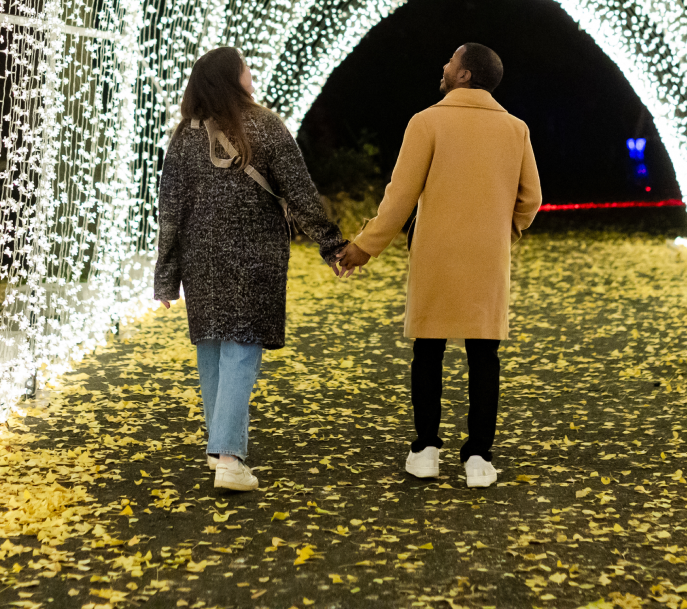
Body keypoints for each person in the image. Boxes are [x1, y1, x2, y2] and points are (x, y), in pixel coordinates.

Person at [335, 43, 541, 487]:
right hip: (488, 259)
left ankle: (426, 450)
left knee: (428, 350)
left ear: (465, 75)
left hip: (435, 255)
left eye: (450, 61)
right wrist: (505, 231)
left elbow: (400, 197)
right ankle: (479, 459)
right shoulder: (516, 129)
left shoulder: (427, 122)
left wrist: (364, 247)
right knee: (484, 354)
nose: (443, 66)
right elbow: (532, 199)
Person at [154, 46, 346, 491]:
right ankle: (228, 457)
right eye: (246, 68)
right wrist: (332, 244)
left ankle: (219, 449)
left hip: (201, 259)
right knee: (242, 349)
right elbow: (299, 191)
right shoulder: (263, 124)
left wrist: (166, 276)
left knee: (213, 349)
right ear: (231, 77)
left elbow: (170, 212)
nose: (251, 75)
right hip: (255, 255)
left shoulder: (184, 136)